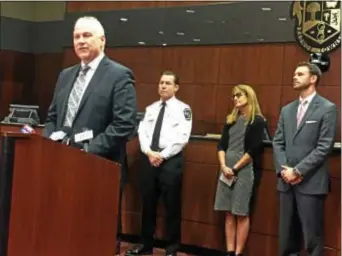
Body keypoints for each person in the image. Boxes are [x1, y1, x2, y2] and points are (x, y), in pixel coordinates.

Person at [42, 16, 137, 254]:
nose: (81, 41)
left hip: (99, 169)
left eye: (87, 36)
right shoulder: (65, 75)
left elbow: (124, 124)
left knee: (95, 238)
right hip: (61, 166)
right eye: (76, 37)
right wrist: (50, 142)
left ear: (102, 41)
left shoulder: (119, 75)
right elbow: (52, 117)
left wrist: (86, 151)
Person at [273, 61, 338, 256]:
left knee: (312, 238)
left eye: (300, 74)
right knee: (286, 237)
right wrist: (285, 170)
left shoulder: (327, 108)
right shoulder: (287, 109)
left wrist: (298, 171)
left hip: (310, 183)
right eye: (294, 74)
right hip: (286, 182)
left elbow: (324, 146)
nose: (294, 77)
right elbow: (278, 142)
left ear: (313, 78)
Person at [125, 71, 192, 256]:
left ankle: (171, 248)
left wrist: (161, 155)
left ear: (176, 87)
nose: (163, 86)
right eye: (161, 82)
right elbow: (142, 132)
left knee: (172, 206)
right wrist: (148, 152)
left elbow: (182, 138)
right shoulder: (151, 108)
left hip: (170, 162)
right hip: (149, 159)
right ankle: (145, 245)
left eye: (168, 83)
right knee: (147, 205)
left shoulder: (183, 109)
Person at [214, 84, 266, 256]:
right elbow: (221, 145)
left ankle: (238, 252)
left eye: (239, 95)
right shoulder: (231, 120)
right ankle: (229, 251)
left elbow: (253, 150)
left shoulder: (257, 121)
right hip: (226, 169)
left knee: (241, 211)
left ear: (249, 96)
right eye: (233, 96)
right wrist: (223, 166)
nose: (235, 98)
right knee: (228, 211)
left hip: (242, 170)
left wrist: (234, 169)